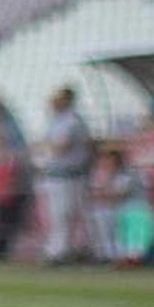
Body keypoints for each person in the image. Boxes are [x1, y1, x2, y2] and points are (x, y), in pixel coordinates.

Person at [37, 87, 95, 263]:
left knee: (65, 214)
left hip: (70, 176)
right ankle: (58, 250)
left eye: (58, 99)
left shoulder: (72, 121)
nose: (53, 102)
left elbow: (59, 145)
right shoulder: (56, 120)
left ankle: (64, 252)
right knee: (57, 216)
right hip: (55, 175)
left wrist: (45, 148)